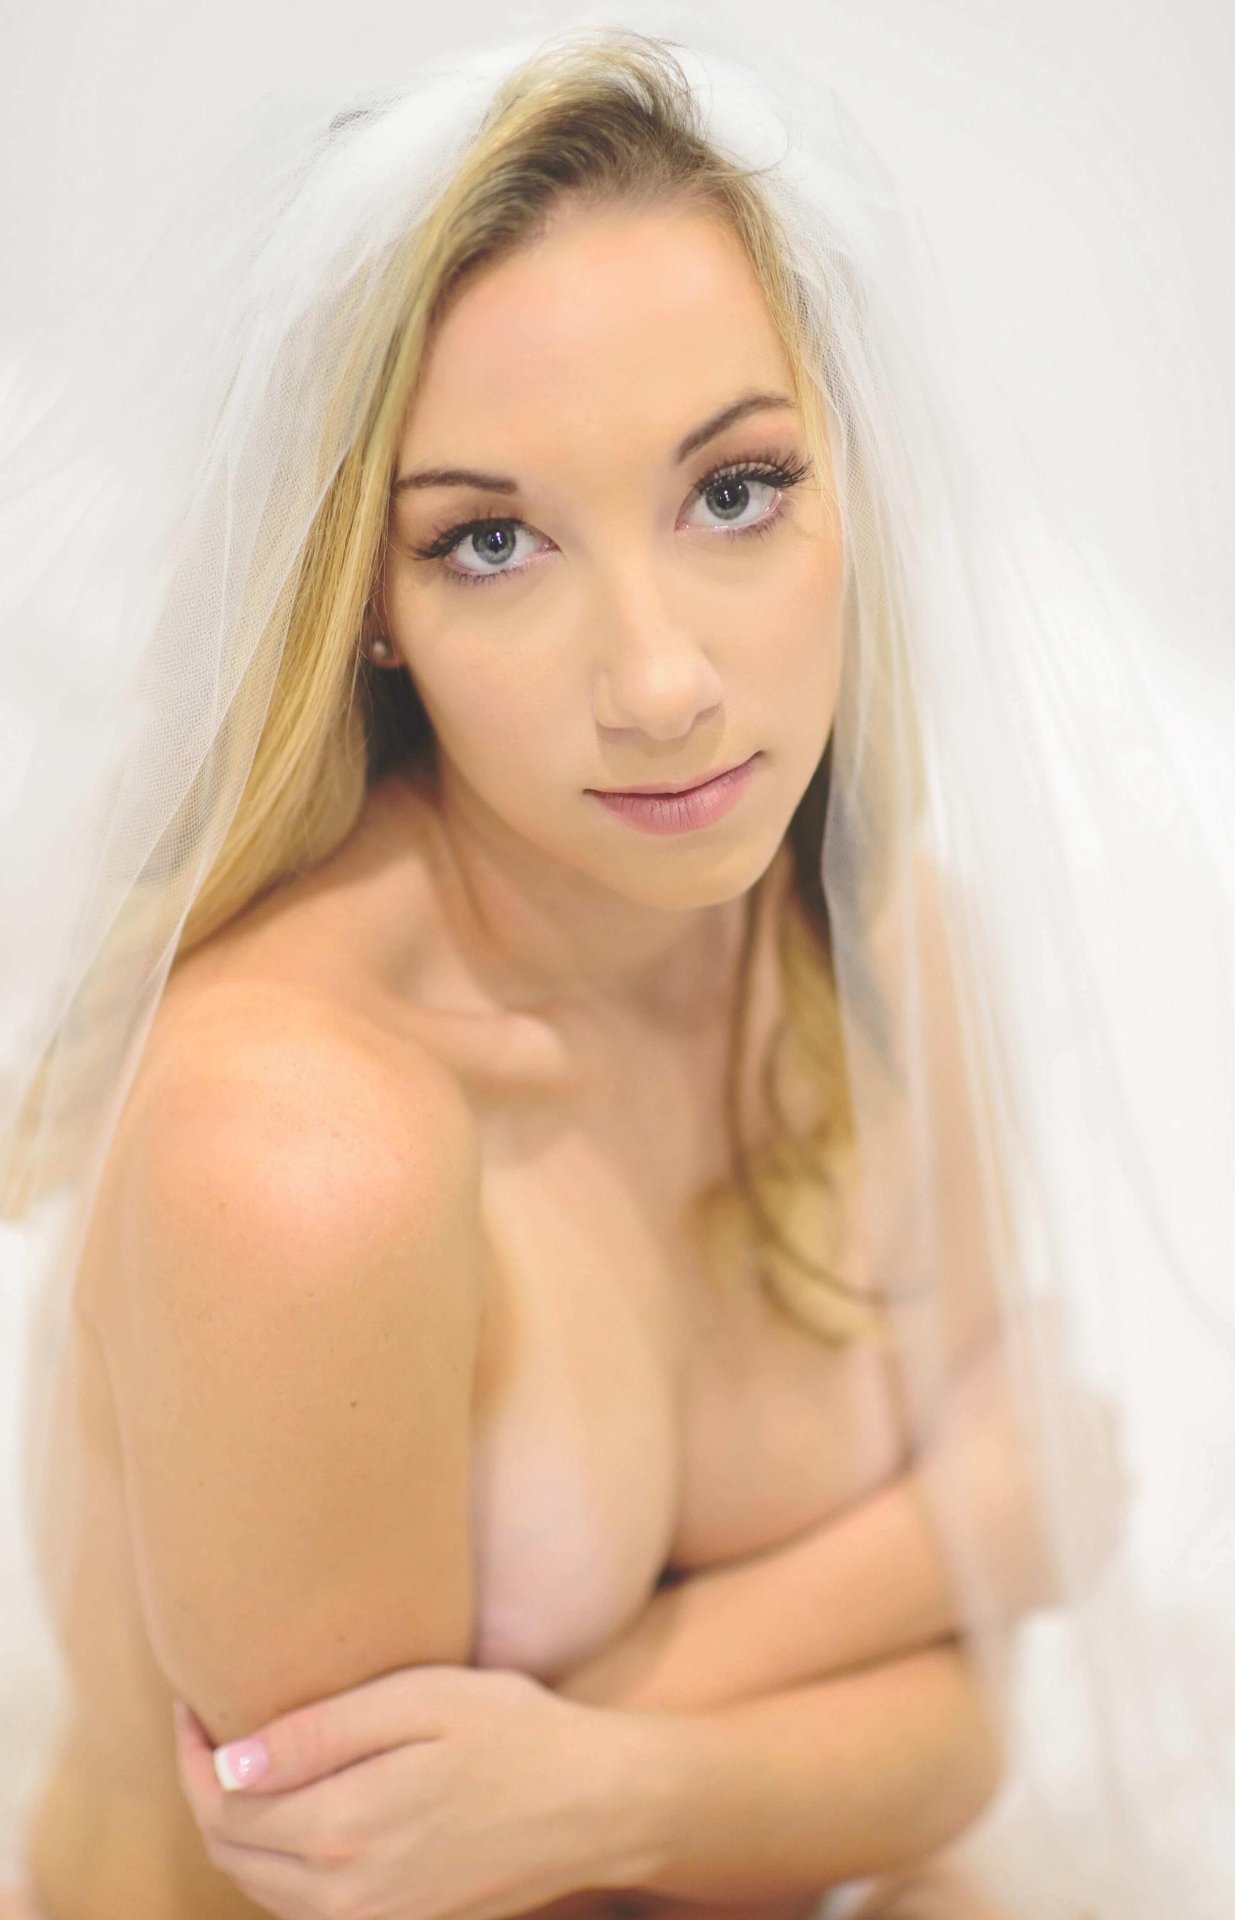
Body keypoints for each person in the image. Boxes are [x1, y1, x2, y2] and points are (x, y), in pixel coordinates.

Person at [1, 12, 1231, 1919]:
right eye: (492, 540)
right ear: (369, 603)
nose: (660, 684)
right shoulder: (304, 1150)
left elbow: (968, 1735)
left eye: (735, 491)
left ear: (850, 477)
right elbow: (362, 1866)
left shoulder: (879, 942)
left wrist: (592, 1779)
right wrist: (945, 1535)